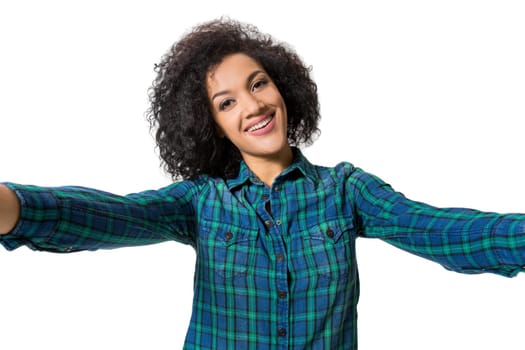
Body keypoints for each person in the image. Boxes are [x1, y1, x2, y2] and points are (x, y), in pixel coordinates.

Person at [1, 18, 524, 349]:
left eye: (258, 84)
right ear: (211, 123)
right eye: (226, 102)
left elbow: (437, 229)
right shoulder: (201, 201)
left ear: (282, 87)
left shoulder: (345, 191)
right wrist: (14, 207)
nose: (252, 106)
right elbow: (112, 215)